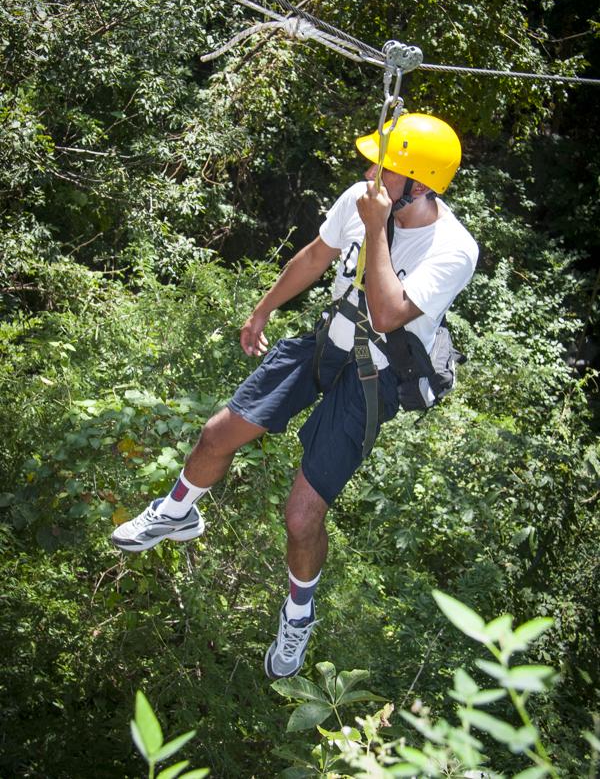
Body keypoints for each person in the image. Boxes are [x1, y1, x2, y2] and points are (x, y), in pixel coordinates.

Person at [111, 112, 479, 680]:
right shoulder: (363, 197)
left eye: (384, 167)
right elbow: (314, 256)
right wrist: (263, 308)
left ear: (419, 185)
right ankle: (177, 513)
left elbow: (386, 313)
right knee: (216, 434)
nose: (368, 172)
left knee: (302, 515)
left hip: (371, 378)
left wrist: (377, 229)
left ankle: (299, 614)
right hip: (324, 343)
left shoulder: (453, 248)